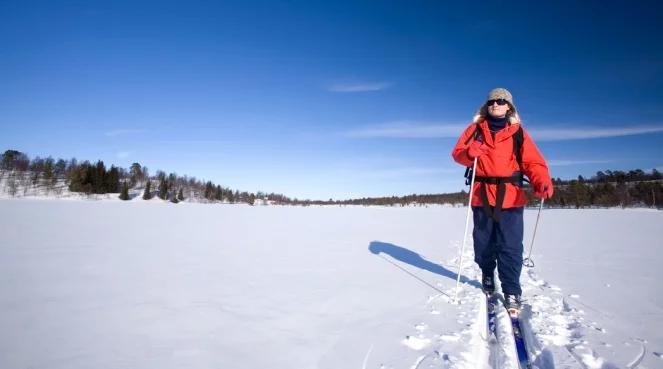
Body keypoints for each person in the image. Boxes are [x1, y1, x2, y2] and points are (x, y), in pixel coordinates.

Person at [451, 88, 553, 314]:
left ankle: (512, 290)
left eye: (501, 101)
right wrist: (469, 153)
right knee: (483, 242)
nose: (495, 104)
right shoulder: (474, 129)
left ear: (509, 107)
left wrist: (541, 180)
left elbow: (534, 163)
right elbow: (457, 153)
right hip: (481, 195)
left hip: (511, 196)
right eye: (491, 101)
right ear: (486, 106)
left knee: (511, 246)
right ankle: (488, 273)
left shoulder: (519, 133)